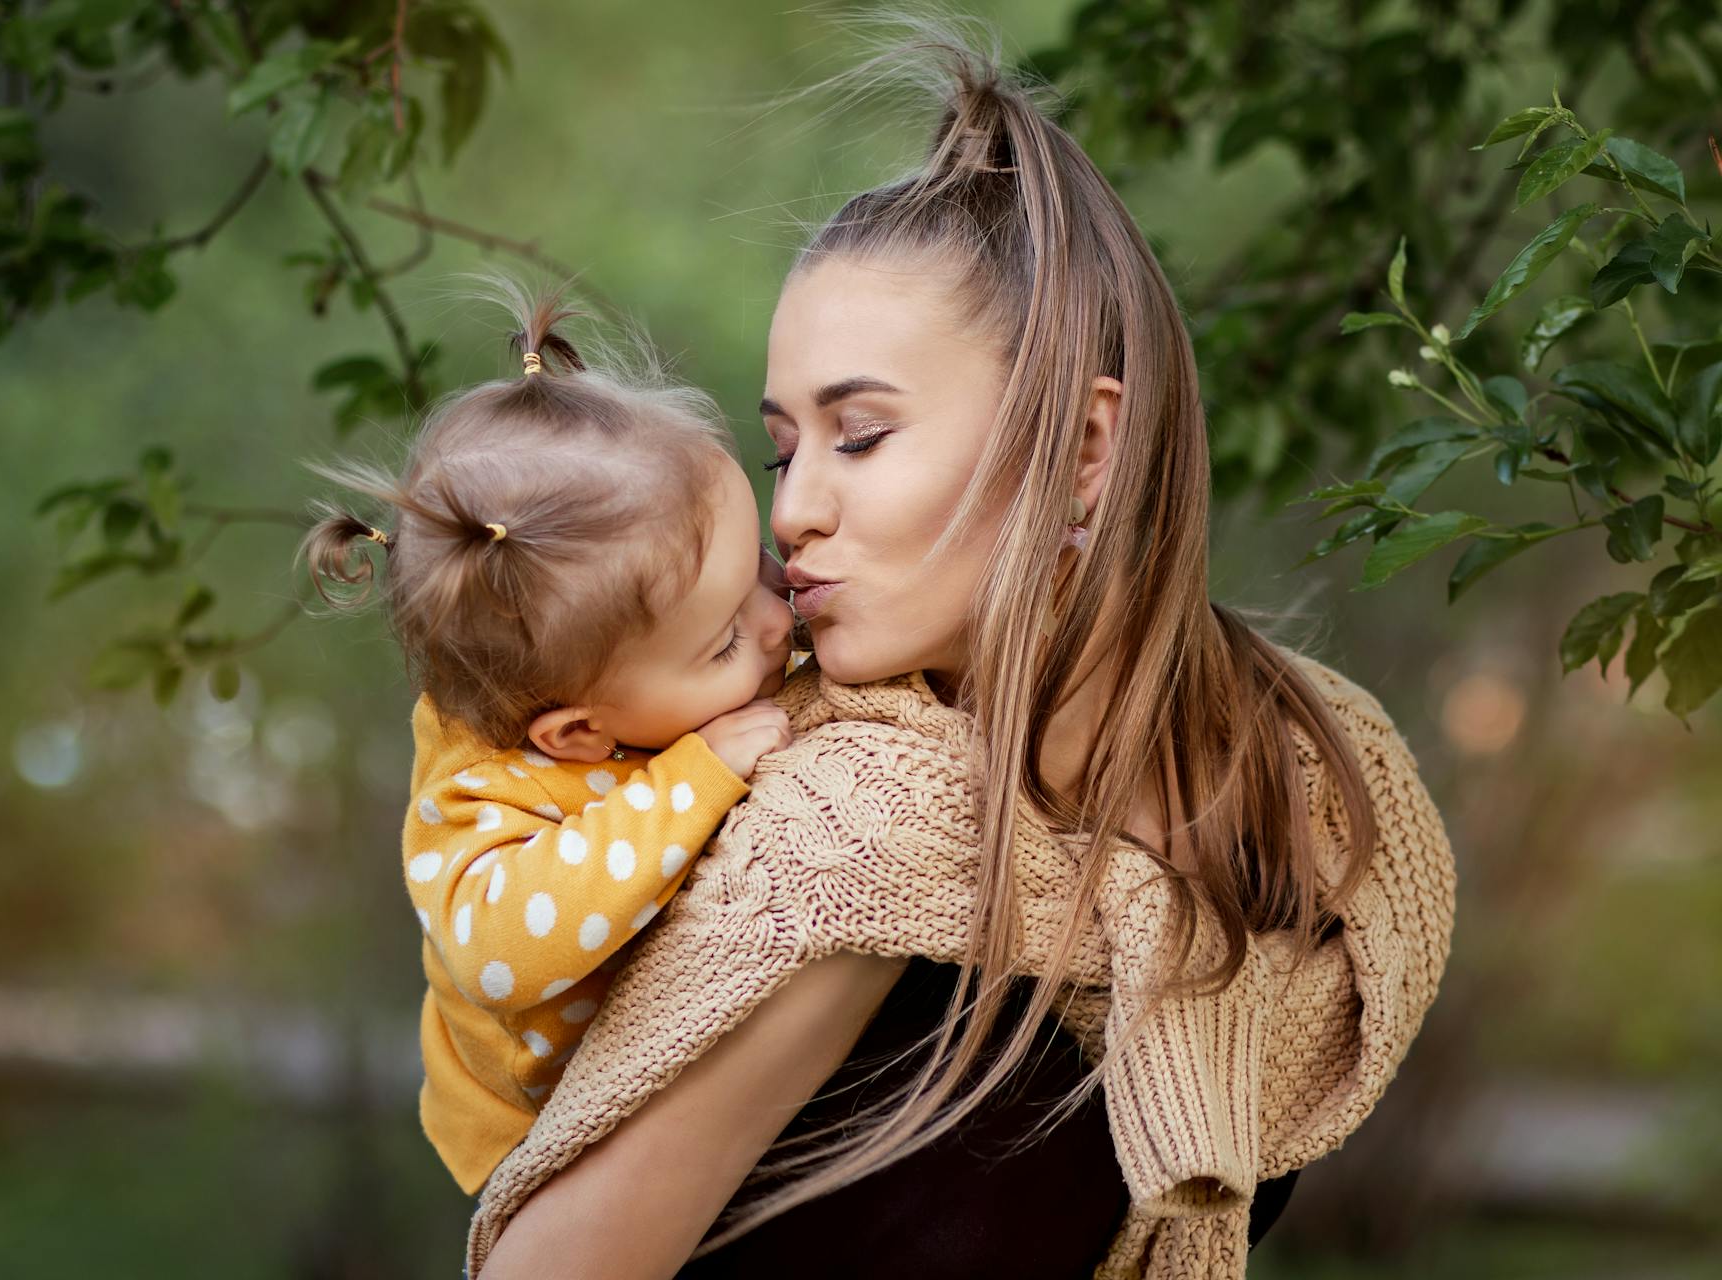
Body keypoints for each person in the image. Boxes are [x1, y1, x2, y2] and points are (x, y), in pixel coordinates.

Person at [468, 22, 1456, 1280]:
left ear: (1085, 448)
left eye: (860, 435)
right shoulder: (856, 826)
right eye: (784, 447)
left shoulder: (1318, 787)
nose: (792, 510)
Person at [300, 286, 798, 1198]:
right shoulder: (477, 801)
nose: (776, 622)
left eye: (760, 568)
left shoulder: (632, 679)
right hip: (534, 1134)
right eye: (724, 638)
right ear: (576, 733)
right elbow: (505, 951)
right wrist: (694, 778)